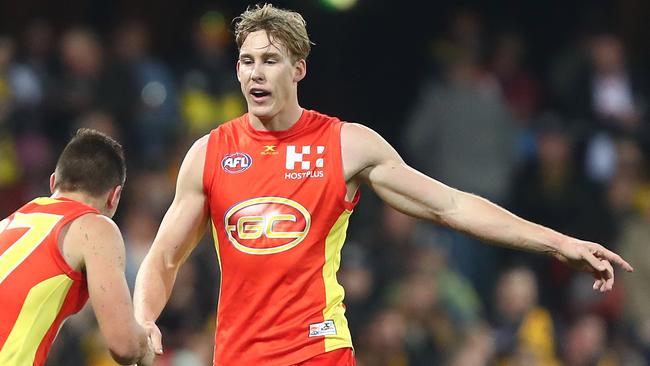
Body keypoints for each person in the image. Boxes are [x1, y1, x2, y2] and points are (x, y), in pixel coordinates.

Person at [133, 4, 634, 366]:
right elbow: (165, 256)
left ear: (299, 69)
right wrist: (143, 317)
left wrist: (558, 242)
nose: (255, 73)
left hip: (318, 352)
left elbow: (451, 206)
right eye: (246, 61)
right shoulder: (209, 153)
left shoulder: (345, 144)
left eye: (271, 60)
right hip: (237, 356)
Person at [0, 129, 154, 366]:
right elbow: (124, 345)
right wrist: (145, 345)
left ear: (53, 182)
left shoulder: (9, 222)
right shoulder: (94, 227)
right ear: (114, 196)